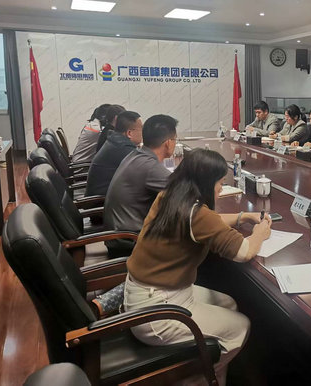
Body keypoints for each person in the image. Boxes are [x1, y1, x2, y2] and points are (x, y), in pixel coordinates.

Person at [124, 148, 272, 385]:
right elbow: (244, 251)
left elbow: (209, 222)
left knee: (229, 304)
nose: (220, 189)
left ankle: (214, 373)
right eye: (219, 183)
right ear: (205, 182)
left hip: (145, 296)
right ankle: (196, 378)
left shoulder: (171, 196)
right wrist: (260, 233)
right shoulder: (195, 213)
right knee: (241, 327)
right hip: (157, 312)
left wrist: (242, 216)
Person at [103, 114, 177, 257]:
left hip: (120, 237)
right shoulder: (149, 166)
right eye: (175, 139)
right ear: (168, 143)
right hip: (129, 243)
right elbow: (184, 192)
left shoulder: (137, 155)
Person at [85, 111, 142, 197]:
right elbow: (145, 174)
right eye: (141, 129)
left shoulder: (115, 141)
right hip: (100, 201)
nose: (143, 133)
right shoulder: (123, 148)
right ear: (129, 133)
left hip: (105, 196)